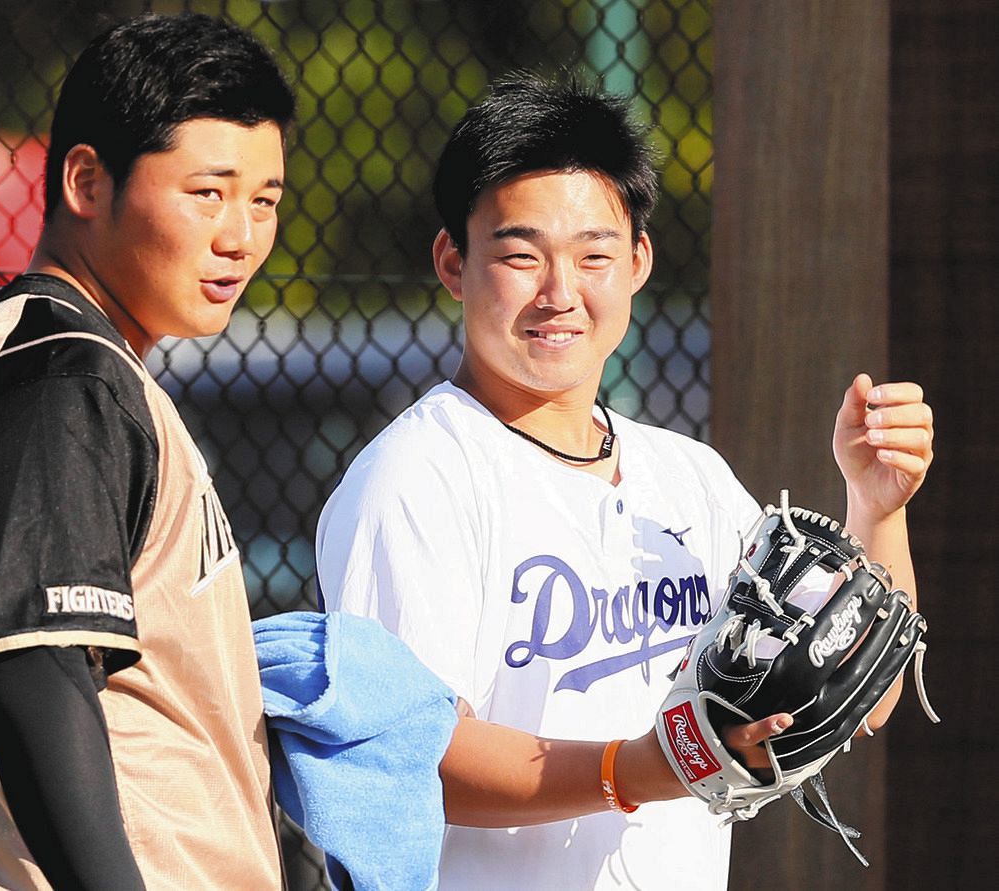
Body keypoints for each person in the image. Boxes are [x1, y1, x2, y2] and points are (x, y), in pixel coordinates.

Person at [315, 72, 934, 889]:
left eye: (593, 255)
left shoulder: (689, 477)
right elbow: (407, 755)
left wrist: (875, 508)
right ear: (452, 261)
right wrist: (637, 769)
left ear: (638, 261)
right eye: (520, 255)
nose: (560, 292)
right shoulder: (414, 478)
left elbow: (860, 697)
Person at [0, 13, 293, 889]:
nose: (241, 234)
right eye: (208, 192)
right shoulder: (64, 378)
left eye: (266, 199)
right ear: (87, 181)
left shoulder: (23, 350)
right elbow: (37, 673)